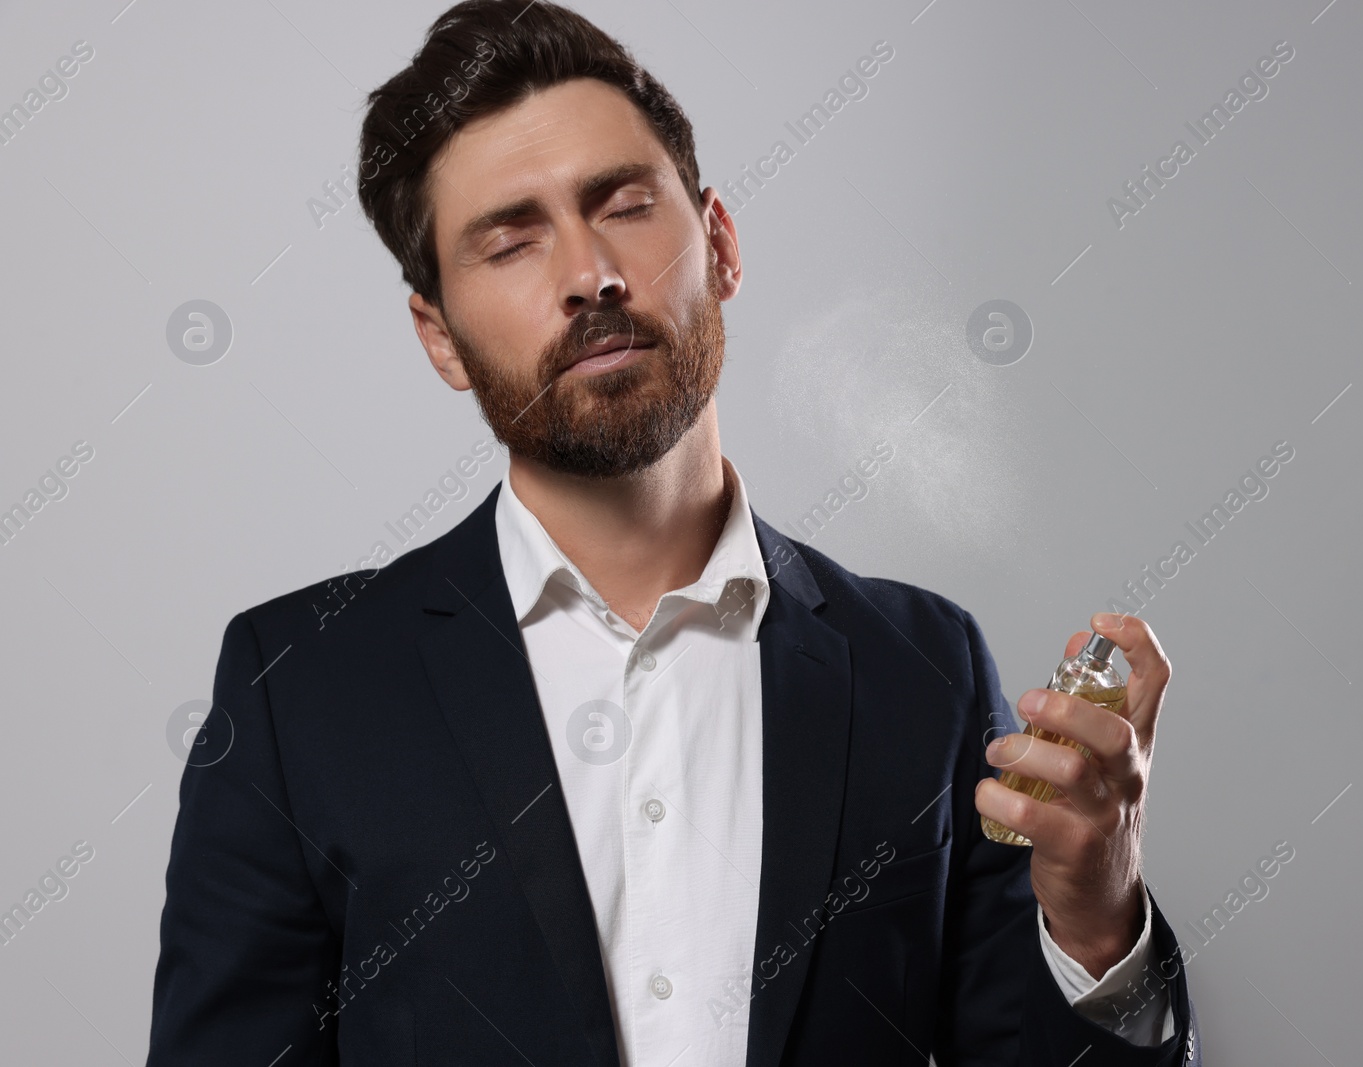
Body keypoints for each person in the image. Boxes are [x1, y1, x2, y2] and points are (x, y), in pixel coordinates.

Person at [144, 2, 1198, 1063]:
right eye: (510, 242)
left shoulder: (922, 667)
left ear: (722, 243)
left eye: (626, 205)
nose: (588, 273)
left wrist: (1096, 919)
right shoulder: (298, 691)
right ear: (440, 336)